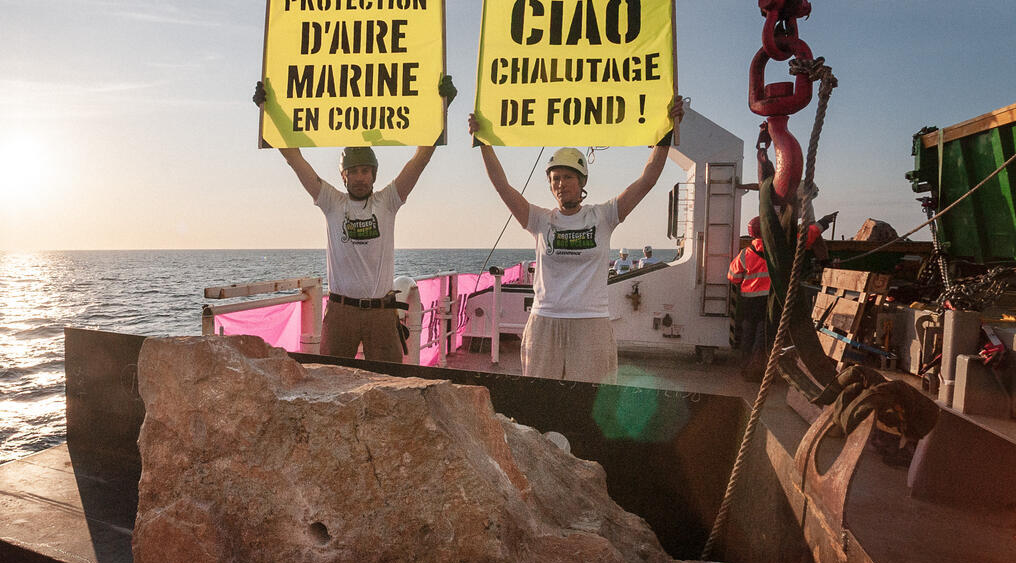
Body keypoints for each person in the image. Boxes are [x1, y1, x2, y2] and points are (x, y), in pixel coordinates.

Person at [468, 95, 684, 381]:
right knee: (540, 395)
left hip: (590, 321)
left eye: (568, 177)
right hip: (545, 320)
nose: (560, 184)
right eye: (555, 178)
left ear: (582, 182)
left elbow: (647, 180)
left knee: (592, 398)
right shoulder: (539, 219)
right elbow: (502, 186)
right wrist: (483, 142)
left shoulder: (603, 216)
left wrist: (666, 131)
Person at [255, 76, 456, 362]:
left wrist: (442, 108)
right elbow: (294, 158)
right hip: (341, 313)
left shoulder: (388, 202)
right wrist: (268, 111)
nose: (360, 177)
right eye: (353, 171)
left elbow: (420, 158)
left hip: (381, 312)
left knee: (389, 383)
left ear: (374, 175)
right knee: (330, 378)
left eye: (365, 171)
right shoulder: (331, 202)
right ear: (343, 175)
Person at [727, 216, 770, 382]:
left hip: (748, 302)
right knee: (762, 337)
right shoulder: (775, 250)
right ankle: (758, 372)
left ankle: (746, 370)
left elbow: (732, 277)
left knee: (747, 337)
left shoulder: (745, 254)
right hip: (767, 303)